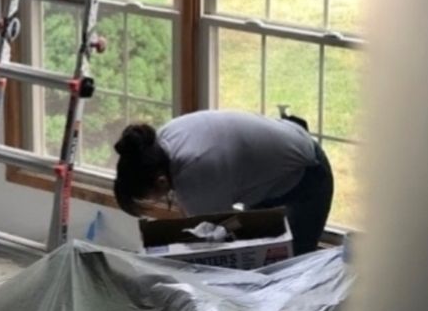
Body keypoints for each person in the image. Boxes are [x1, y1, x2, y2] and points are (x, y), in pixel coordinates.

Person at [112, 109, 335, 256]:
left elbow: (222, 238)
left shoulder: (195, 176)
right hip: (273, 165)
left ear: (160, 181)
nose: (155, 202)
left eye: (148, 198)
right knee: (261, 256)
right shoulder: (162, 140)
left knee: (294, 266)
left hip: (307, 175)